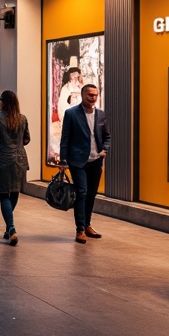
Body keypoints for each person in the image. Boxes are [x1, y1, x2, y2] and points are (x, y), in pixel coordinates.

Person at [59, 83, 109, 244]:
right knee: (82, 192)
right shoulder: (71, 113)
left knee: (91, 194)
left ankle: (87, 224)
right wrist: (63, 160)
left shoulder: (101, 115)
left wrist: (105, 150)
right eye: (89, 95)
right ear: (82, 95)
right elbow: (65, 138)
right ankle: (80, 229)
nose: (93, 97)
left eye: (95, 95)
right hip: (77, 160)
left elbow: (107, 136)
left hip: (96, 160)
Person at [0, 90, 30, 245]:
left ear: (2, 101)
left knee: (4, 194)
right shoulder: (22, 119)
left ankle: (11, 228)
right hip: (20, 160)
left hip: (2, 160)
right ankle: (8, 229)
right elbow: (27, 139)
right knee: (14, 192)